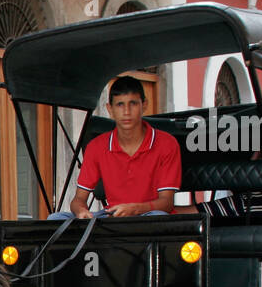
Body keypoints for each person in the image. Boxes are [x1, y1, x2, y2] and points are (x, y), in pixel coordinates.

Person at [50, 76, 181, 219]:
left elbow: (167, 203)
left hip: (149, 216)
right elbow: (78, 199)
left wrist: (135, 209)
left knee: (158, 216)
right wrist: (81, 211)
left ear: (144, 105)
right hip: (112, 216)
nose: (126, 111)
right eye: (120, 105)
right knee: (55, 219)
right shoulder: (96, 147)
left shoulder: (167, 143)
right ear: (109, 109)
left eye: (133, 104)